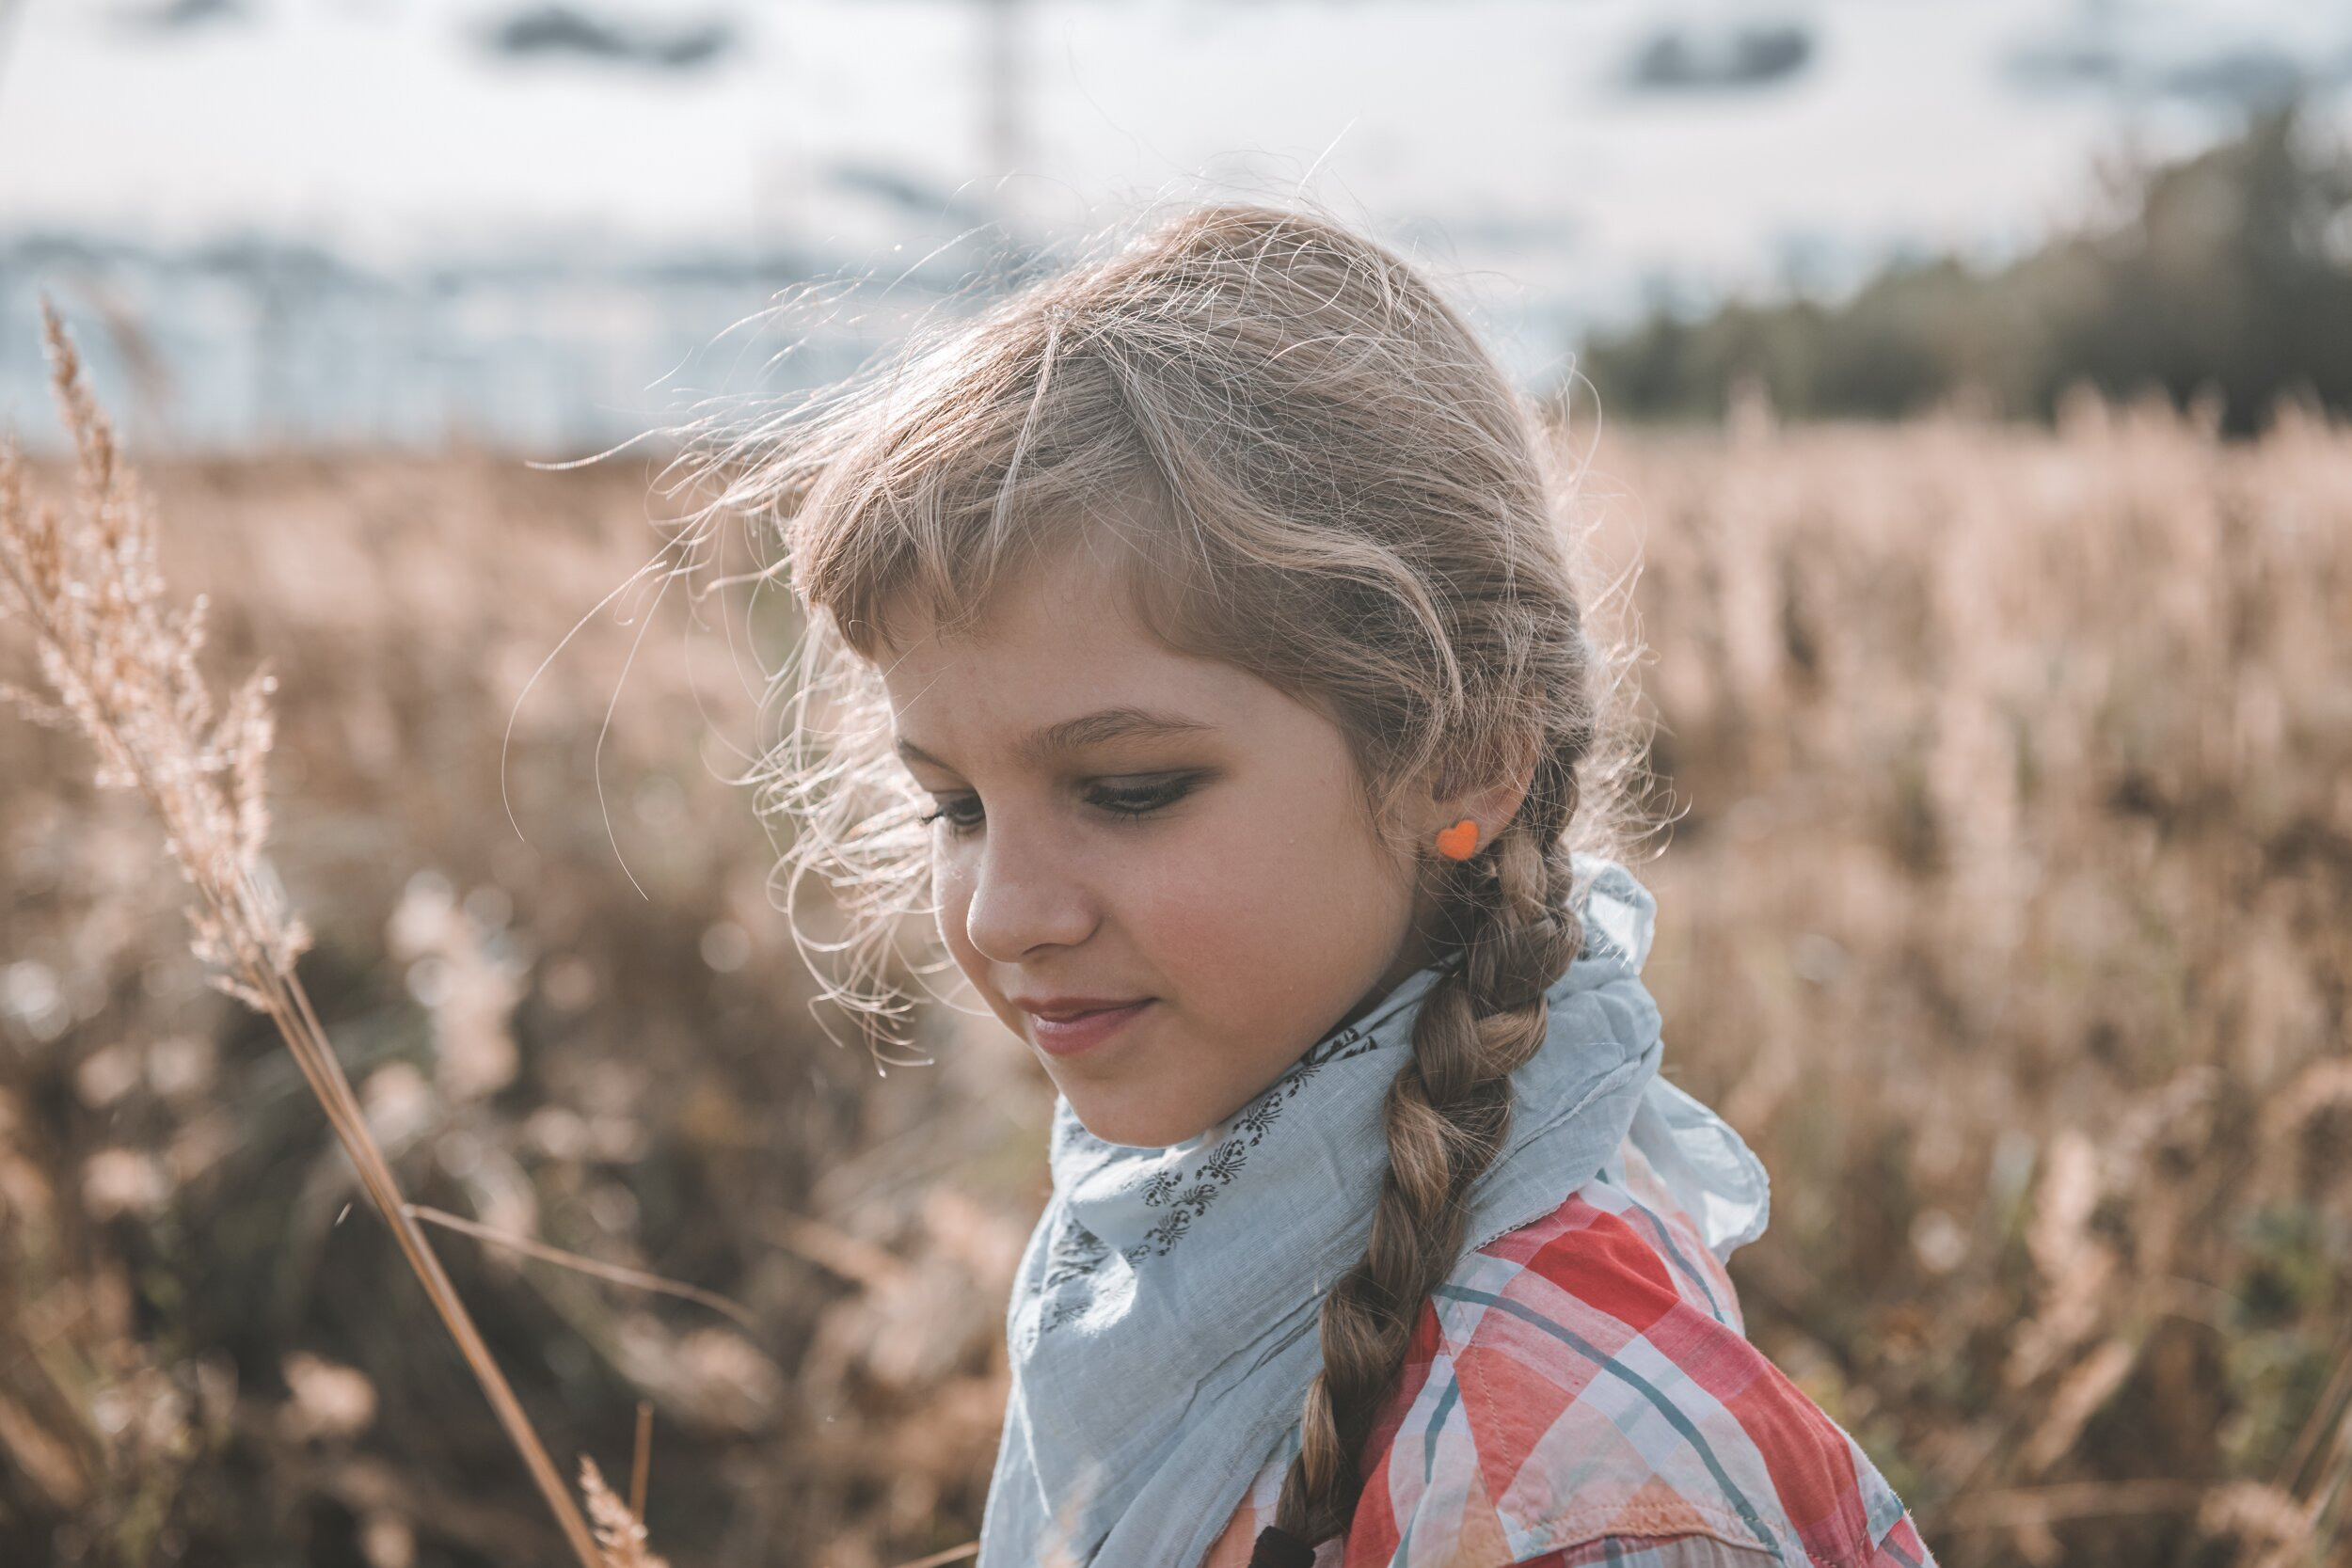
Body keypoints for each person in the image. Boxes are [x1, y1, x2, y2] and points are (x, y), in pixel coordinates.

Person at [724, 202, 1939, 1568]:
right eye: (954, 805)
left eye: (1130, 791)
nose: (1004, 913)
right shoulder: (1177, 1263)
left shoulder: (1568, 1499)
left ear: (1463, 760)